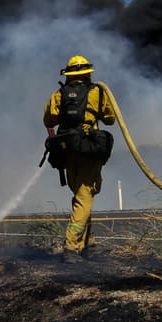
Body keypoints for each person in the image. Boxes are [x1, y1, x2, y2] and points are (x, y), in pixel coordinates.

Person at [43, 55, 116, 262]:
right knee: (85, 197)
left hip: (67, 151)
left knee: (81, 196)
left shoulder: (59, 95)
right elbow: (110, 119)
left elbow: (48, 119)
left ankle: (88, 243)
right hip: (88, 149)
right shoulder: (97, 92)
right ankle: (71, 247)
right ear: (87, 74)